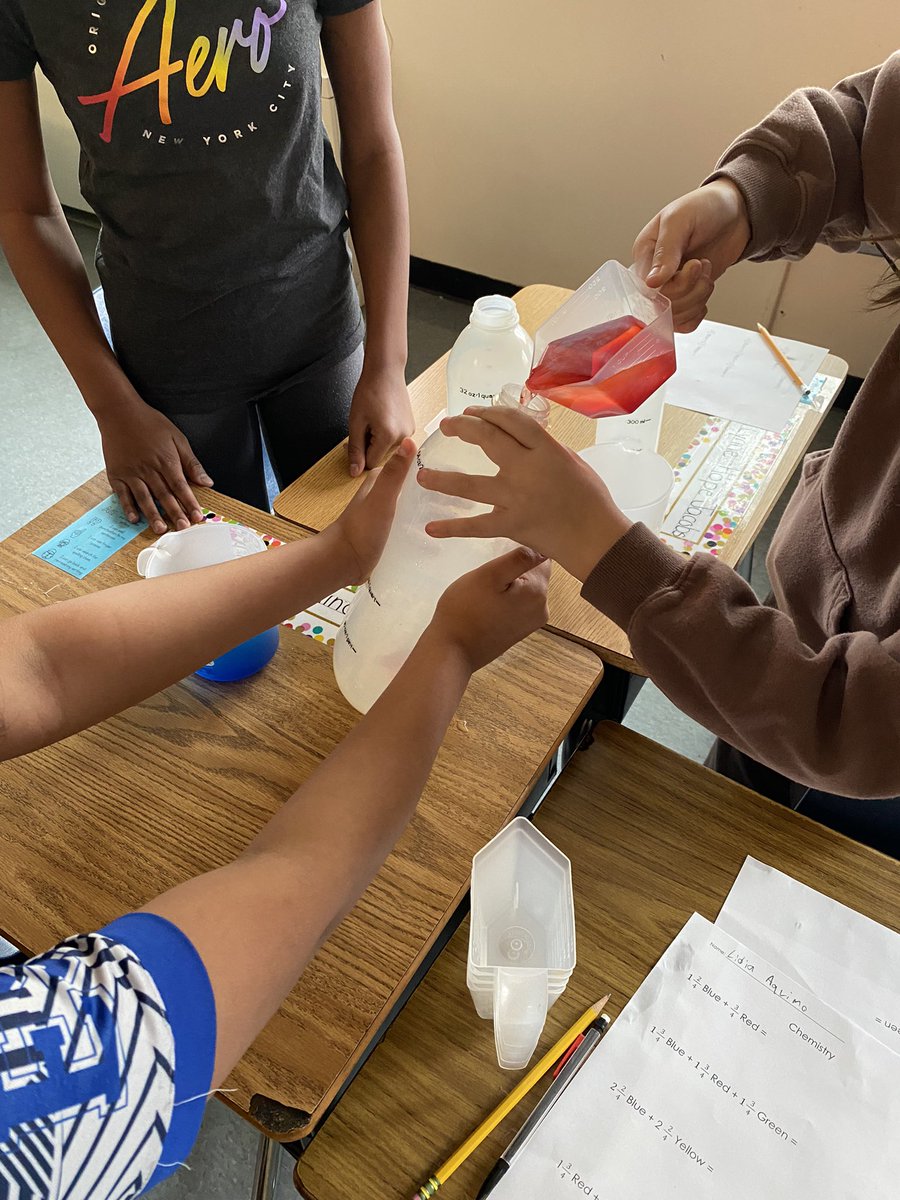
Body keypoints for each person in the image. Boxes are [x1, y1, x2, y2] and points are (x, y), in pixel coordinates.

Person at [0, 436, 550, 1194]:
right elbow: (294, 881)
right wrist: (450, 649)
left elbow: (38, 669)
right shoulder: (42, 1095)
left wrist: (337, 557)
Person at [418, 52, 900, 855]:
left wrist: (606, 549)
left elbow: (848, 724)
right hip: (820, 610)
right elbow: (866, 128)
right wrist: (741, 199)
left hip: (865, 770)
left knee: (776, 862)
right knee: (735, 788)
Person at [0, 0, 413, 529]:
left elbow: (375, 147)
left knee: (360, 555)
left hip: (316, 324)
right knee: (215, 586)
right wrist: (112, 407)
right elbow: (23, 209)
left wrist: (388, 363)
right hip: (167, 350)